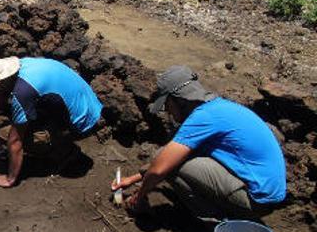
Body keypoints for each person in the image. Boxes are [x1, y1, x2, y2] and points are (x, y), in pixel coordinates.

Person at [113, 65, 286, 221]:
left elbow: (160, 168)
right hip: (266, 195)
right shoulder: (219, 107)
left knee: (171, 166)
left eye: (167, 106)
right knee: (172, 159)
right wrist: (134, 179)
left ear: (178, 100)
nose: (169, 113)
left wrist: (139, 196)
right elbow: (166, 160)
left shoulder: (204, 118)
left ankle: (218, 227)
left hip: (256, 200)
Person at [0, 55, 103, 187]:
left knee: (5, 135)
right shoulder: (21, 66)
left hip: (82, 121)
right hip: (87, 102)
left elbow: (15, 141)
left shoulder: (23, 93)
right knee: (15, 120)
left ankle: (67, 152)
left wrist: (9, 179)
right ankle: (56, 136)